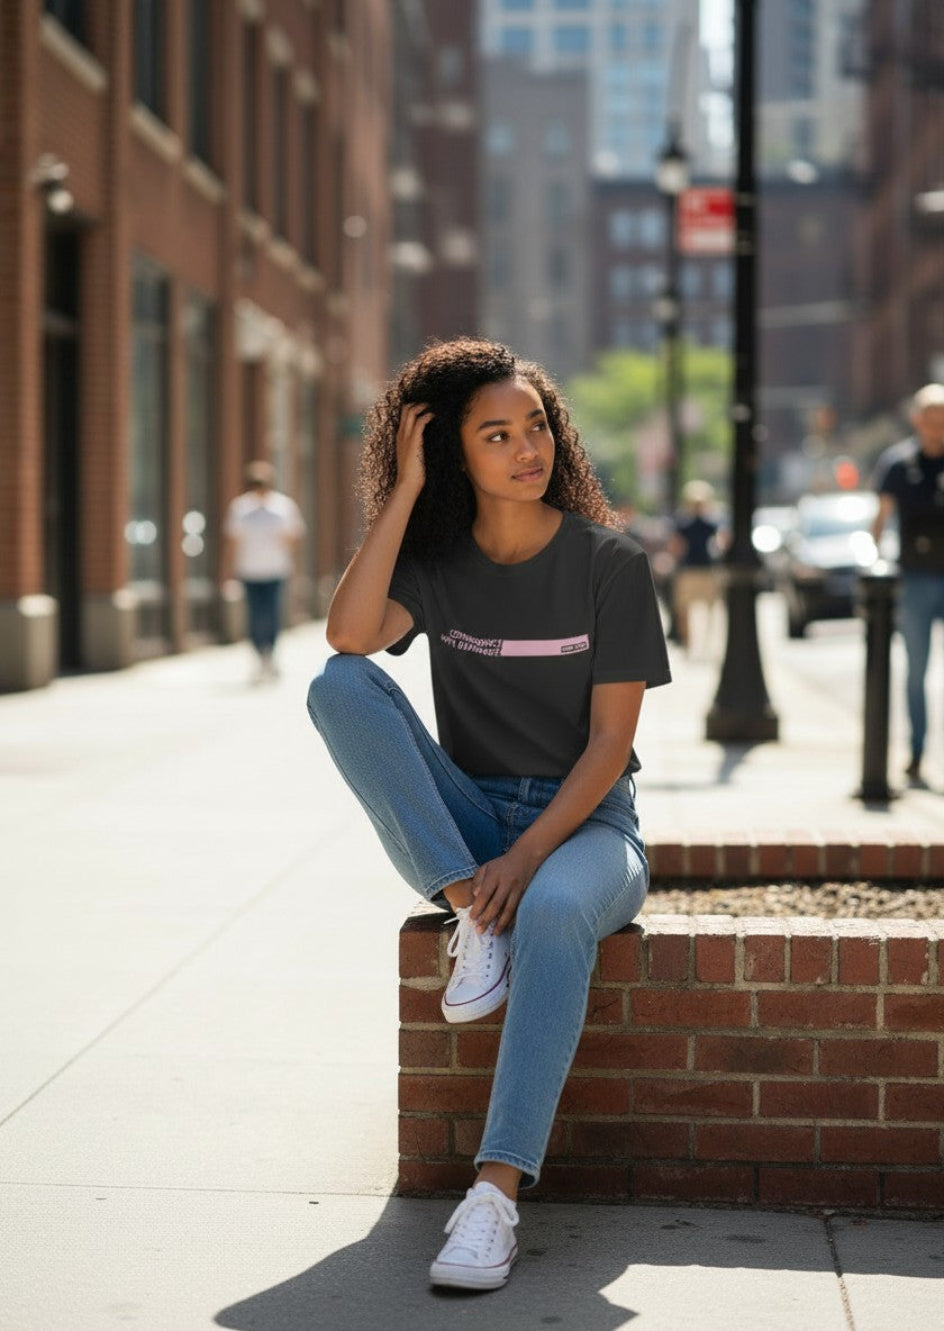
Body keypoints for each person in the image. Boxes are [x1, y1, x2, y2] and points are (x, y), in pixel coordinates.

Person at [306, 338, 670, 1292]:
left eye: (536, 426)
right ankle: (475, 913)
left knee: (553, 908)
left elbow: (609, 744)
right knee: (338, 685)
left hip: (589, 826)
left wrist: (529, 859)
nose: (526, 448)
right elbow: (348, 635)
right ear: (454, 454)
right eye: (496, 434)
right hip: (473, 820)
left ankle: (494, 1197)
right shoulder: (439, 566)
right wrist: (403, 493)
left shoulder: (610, 563)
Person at [871, 383, 944, 785]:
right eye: (931, 417)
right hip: (914, 579)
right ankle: (917, 751)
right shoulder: (898, 464)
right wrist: (876, 563)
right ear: (917, 419)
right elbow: (880, 519)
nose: (937, 425)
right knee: (916, 671)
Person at [224, 461, 305, 681]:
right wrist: (228, 572)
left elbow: (295, 537)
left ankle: (270, 654)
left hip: (275, 570)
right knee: (254, 615)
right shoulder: (240, 508)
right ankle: (259, 655)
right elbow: (232, 541)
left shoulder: (283, 507)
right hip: (249, 571)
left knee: (272, 614)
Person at [669, 479, 722, 651]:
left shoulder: (708, 525)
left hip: (702, 569)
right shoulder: (687, 524)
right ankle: (689, 644)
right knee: (685, 609)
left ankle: (700, 644)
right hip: (692, 569)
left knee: (703, 609)